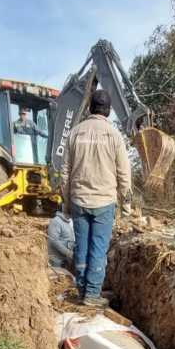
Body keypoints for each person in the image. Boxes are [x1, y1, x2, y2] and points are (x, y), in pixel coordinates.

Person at [61, 89, 133, 307]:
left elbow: (65, 171)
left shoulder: (75, 132)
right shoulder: (114, 135)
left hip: (79, 200)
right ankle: (92, 294)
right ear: (108, 111)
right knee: (98, 249)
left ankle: (82, 290)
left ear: (90, 107)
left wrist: (66, 202)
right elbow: (124, 173)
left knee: (81, 247)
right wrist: (126, 204)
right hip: (104, 201)